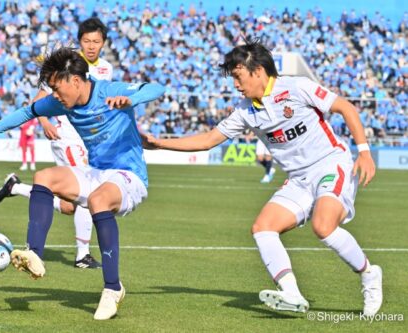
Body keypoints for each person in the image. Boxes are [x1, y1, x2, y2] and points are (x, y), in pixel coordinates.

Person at [143, 39, 382, 316]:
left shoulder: (295, 87)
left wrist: (364, 152)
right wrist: (160, 143)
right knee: (263, 227)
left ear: (257, 71)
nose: (235, 84)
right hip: (298, 178)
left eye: (237, 76)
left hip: (331, 164)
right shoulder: (246, 110)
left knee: (323, 225)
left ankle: (368, 274)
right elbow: (209, 139)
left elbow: (346, 108)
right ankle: (291, 292)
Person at [0, 47, 165, 320]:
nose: (54, 95)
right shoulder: (59, 102)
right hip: (96, 171)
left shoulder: (109, 90)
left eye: (56, 88)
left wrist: (132, 99)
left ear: (75, 80)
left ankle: (112, 288)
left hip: (129, 176)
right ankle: (34, 254)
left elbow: (155, 87)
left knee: (98, 201)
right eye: (51, 89)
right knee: (43, 178)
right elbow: (25, 113)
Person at [0, 17, 113, 269]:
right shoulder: (67, 65)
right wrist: (45, 122)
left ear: (103, 43)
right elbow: (40, 98)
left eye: (96, 41)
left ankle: (15, 188)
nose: (91, 46)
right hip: (67, 138)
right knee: (89, 193)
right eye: (86, 41)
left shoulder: (106, 69)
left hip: (89, 139)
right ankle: (82, 255)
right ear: (79, 41)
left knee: (69, 205)